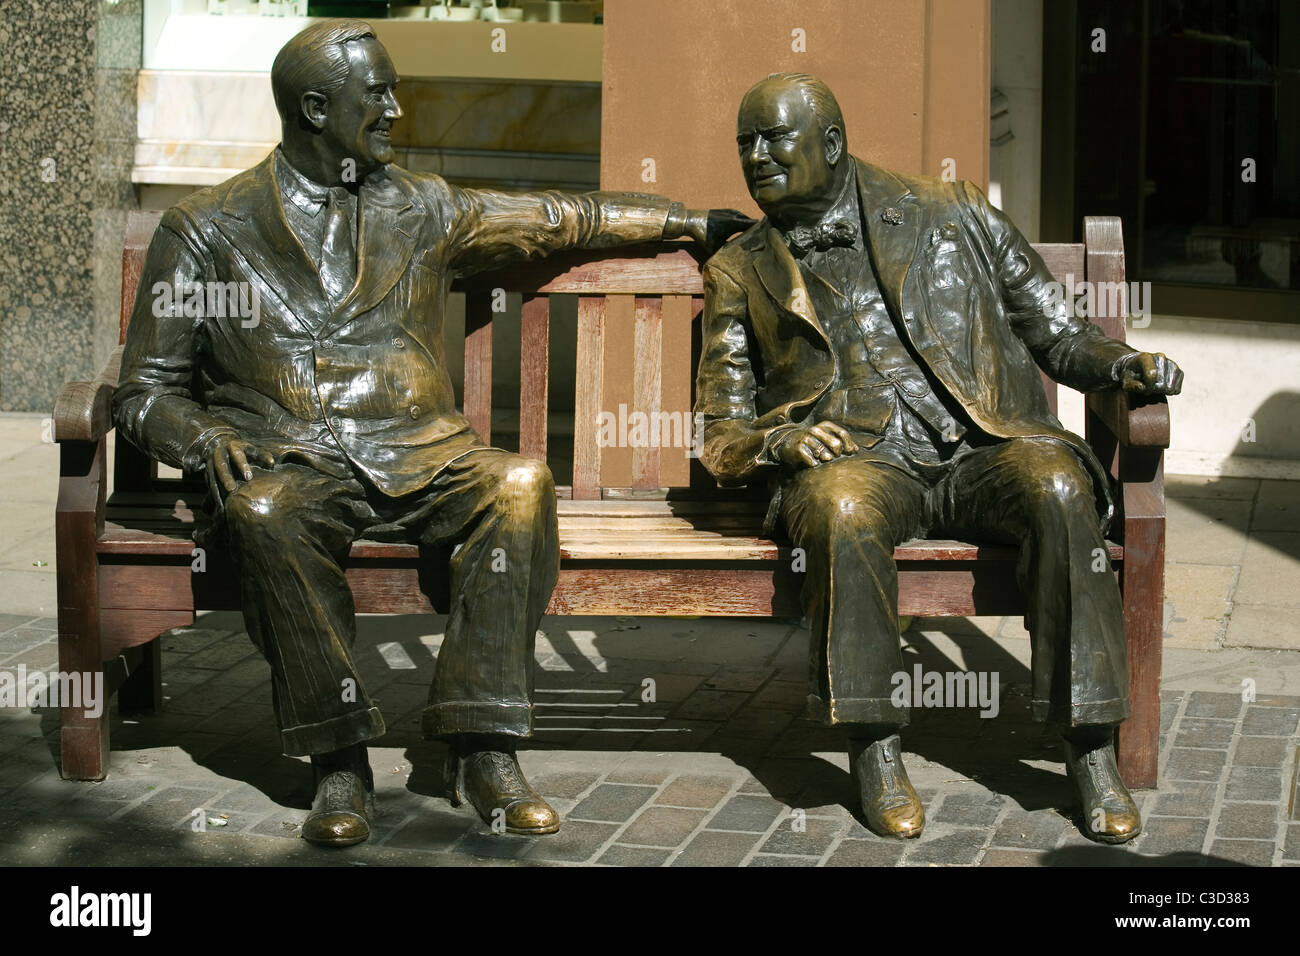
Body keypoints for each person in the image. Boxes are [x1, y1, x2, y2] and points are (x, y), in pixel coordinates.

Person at [114, 18, 747, 847]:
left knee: (519, 485)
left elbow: (560, 217)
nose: (395, 109)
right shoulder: (207, 227)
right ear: (313, 107)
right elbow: (145, 388)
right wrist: (199, 441)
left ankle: (480, 745)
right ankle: (338, 757)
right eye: (375, 93)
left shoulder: (423, 207)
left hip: (424, 455)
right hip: (294, 460)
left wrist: (686, 221)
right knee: (263, 514)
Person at [694, 72, 1183, 843]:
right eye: (744, 143)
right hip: (861, 462)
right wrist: (778, 442)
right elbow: (716, 430)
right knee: (840, 505)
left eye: (772, 138)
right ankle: (875, 752)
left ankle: (1090, 754)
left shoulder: (952, 211)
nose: (755, 157)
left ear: (831, 142)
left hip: (982, 447)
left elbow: (1056, 332)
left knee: (1058, 486)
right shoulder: (739, 267)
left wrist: (1123, 366)